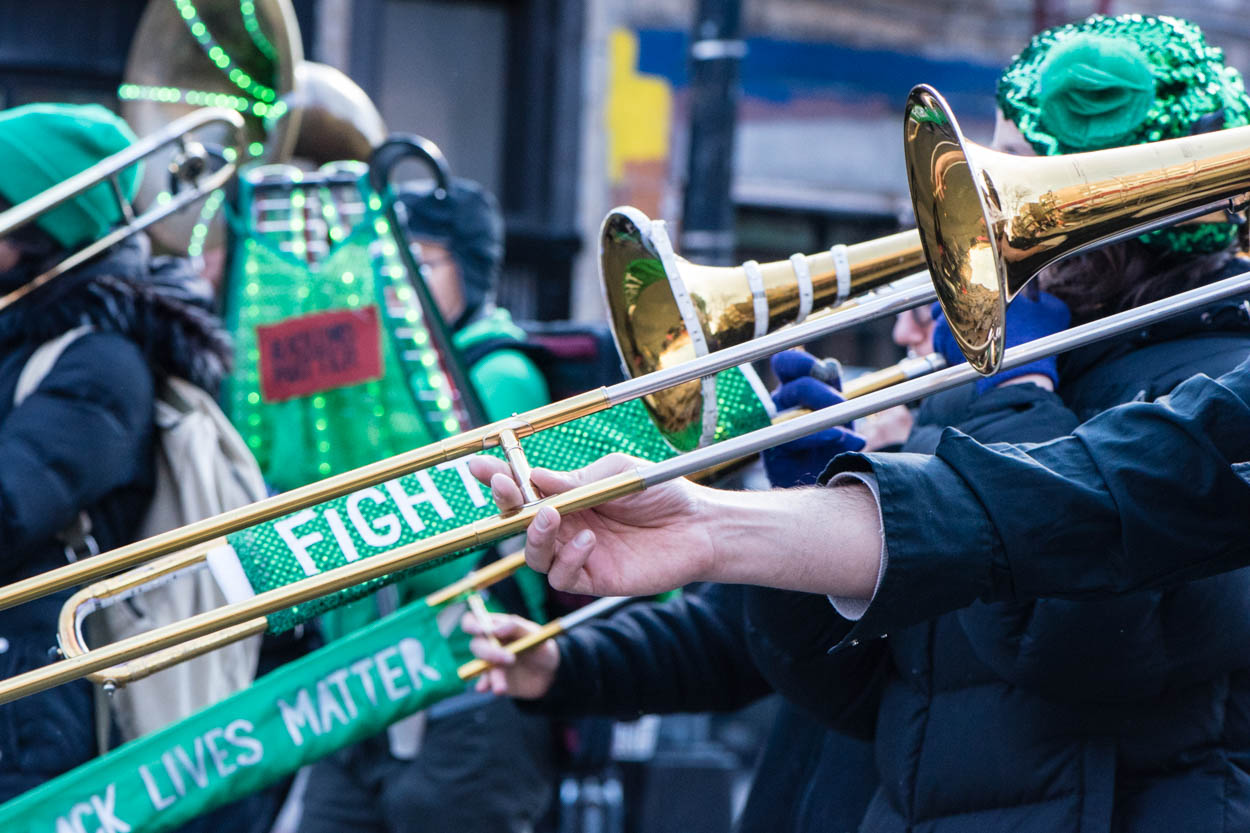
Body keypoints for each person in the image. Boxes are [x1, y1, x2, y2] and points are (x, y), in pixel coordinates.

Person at [470, 15, 1250, 829]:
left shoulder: (1216, 381)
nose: (985, 213)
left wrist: (1018, 389)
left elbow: (1082, 651)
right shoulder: (979, 392)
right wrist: (814, 520)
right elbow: (857, 698)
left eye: (1021, 172)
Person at [297, 177, 555, 833]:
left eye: (426, 259)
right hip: (356, 691)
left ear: (469, 272)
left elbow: (452, 536)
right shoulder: (378, 378)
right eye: (392, 258)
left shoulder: (499, 373)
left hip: (465, 690)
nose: (399, 279)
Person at [0, 103, 230, 800]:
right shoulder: (21, 338)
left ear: (41, 230)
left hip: (36, 707)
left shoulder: (102, 362)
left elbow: (10, 506)